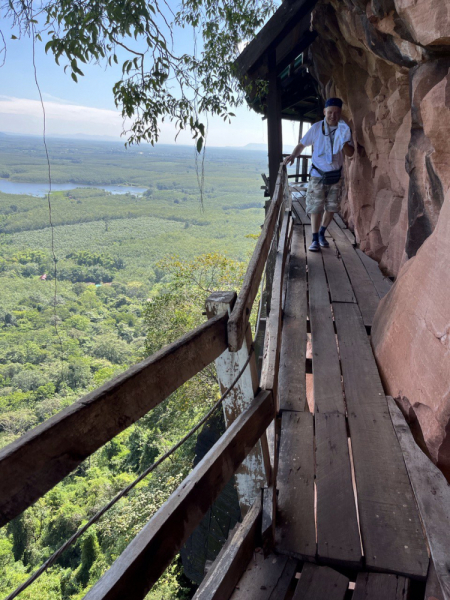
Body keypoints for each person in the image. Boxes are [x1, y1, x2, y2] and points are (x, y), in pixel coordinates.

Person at [284, 98, 354, 251]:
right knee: (316, 207)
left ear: (340, 113)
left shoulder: (344, 130)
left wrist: (343, 142)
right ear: (324, 112)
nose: (333, 116)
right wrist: (293, 156)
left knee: (331, 207)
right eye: (330, 112)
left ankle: (322, 232)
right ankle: (315, 239)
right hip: (317, 174)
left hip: (335, 176)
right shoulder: (316, 128)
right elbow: (302, 144)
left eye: (336, 113)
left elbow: (350, 153)